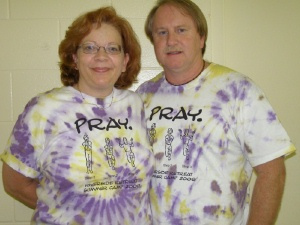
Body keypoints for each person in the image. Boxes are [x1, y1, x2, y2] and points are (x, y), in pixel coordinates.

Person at [136, 0, 296, 224]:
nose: (171, 41)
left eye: (181, 30)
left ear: (201, 38)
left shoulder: (238, 90)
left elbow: (273, 172)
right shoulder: (142, 96)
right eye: (162, 32)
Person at [1, 7, 154, 225]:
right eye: (90, 47)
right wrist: (67, 209)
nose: (101, 56)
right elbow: (14, 183)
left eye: (112, 48)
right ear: (74, 58)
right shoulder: (44, 109)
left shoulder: (136, 106)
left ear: (125, 61)